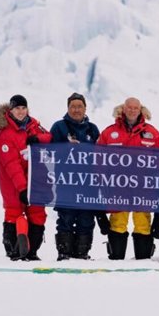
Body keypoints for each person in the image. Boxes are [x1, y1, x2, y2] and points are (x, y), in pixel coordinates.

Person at [96, 97, 159, 260]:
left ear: (141, 110)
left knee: (142, 222)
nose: (132, 110)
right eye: (130, 107)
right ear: (123, 108)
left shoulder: (152, 132)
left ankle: (143, 260)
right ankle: (116, 258)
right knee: (118, 222)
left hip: (144, 188)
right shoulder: (109, 132)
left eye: (136, 108)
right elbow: (98, 158)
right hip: (117, 188)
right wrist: (101, 180)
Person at [0, 94, 52, 261]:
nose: (20, 111)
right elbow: (11, 164)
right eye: (17, 108)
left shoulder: (33, 125)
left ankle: (32, 251)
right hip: (13, 184)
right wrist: (22, 188)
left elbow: (48, 136)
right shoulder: (5, 134)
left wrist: (37, 139)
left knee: (37, 213)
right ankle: (13, 250)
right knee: (14, 213)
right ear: (10, 111)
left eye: (23, 108)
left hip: (35, 181)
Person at [49, 92, 104, 260]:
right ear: (68, 108)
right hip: (67, 183)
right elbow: (49, 153)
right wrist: (65, 147)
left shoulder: (93, 129)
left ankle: (82, 253)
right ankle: (64, 253)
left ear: (85, 108)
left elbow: (103, 157)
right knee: (65, 218)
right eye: (73, 106)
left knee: (86, 219)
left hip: (89, 184)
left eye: (79, 106)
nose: (76, 109)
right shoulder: (59, 127)